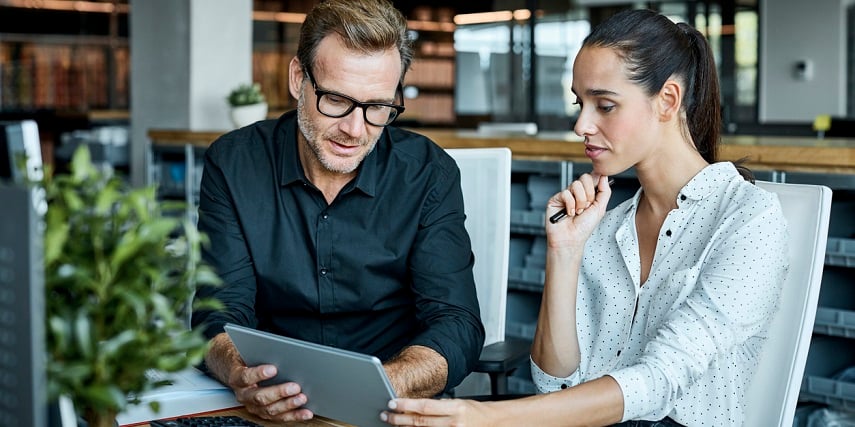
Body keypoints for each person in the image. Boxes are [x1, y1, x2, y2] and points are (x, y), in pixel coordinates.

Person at [382, 8, 788, 427]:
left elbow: (660, 380)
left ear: (667, 100)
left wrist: (488, 417)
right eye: (580, 103)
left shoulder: (748, 220)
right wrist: (565, 253)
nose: (581, 124)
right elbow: (553, 382)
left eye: (605, 105)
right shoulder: (607, 226)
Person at [190, 0, 485, 423]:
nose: (355, 129)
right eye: (335, 100)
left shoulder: (428, 174)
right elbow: (218, 312)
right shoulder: (234, 163)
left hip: (392, 404)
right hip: (271, 406)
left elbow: (456, 323)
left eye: (378, 107)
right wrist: (241, 373)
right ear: (298, 79)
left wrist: (384, 383)